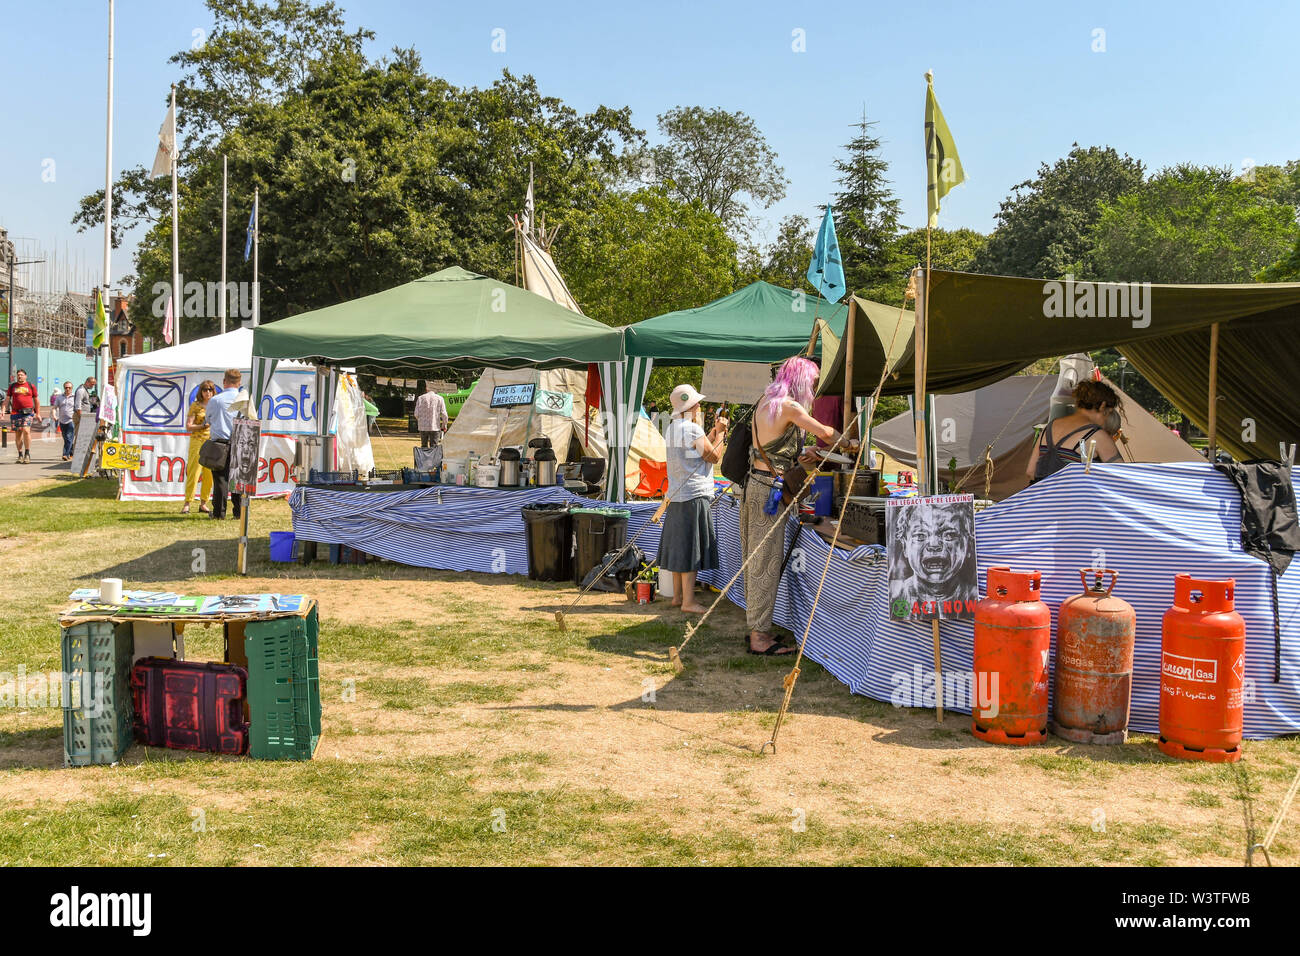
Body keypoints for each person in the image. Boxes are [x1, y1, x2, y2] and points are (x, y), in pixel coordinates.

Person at [740, 356, 852, 655]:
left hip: (756, 485)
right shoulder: (789, 405)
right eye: (812, 383)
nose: (813, 389)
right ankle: (759, 637)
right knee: (764, 562)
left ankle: (757, 627)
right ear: (801, 381)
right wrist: (849, 443)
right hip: (769, 494)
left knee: (756, 560)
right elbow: (826, 432)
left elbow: (774, 449)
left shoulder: (766, 400)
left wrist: (803, 455)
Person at [660, 384, 727, 614]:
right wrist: (722, 432)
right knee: (690, 549)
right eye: (696, 403)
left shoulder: (673, 428)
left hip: (678, 494)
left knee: (680, 547)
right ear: (689, 407)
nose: (699, 406)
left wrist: (713, 433)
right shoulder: (691, 429)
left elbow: (699, 450)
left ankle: (678, 597)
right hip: (694, 495)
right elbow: (714, 456)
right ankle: (688, 601)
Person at [1026, 380, 1123, 483]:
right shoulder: (1096, 435)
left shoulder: (1048, 428)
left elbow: (1030, 472)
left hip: (1038, 497)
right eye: (1108, 413)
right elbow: (1122, 476)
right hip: (1072, 498)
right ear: (1102, 406)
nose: (1106, 419)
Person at [206, 369, 244, 519]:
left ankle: (219, 513)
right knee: (237, 479)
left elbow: (208, 420)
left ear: (224, 381)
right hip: (240, 444)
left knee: (220, 479)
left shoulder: (216, 400)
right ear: (239, 383)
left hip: (220, 444)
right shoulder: (245, 401)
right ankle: (239, 513)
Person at [182, 380, 217, 514]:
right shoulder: (195, 406)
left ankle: (203, 503)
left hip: (212, 441)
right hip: (197, 441)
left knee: (209, 474)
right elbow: (189, 426)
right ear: (200, 392)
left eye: (210, 390)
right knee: (194, 472)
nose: (207, 392)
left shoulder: (215, 405)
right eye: (205, 389)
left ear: (213, 392)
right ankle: (187, 502)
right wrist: (202, 426)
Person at [6, 369, 40, 464]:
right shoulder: (12, 386)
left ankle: (27, 453)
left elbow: (36, 400)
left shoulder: (31, 386)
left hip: (28, 412)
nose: (20, 376)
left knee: (26, 430)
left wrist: (38, 413)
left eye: (21, 375)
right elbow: (8, 399)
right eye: (18, 375)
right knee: (18, 434)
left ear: (26, 376)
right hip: (15, 413)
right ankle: (20, 454)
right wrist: (2, 410)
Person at [414, 384, 449, 449]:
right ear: (435, 389)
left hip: (423, 427)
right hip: (435, 426)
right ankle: (433, 459)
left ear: (427, 389)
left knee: (423, 446)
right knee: (434, 447)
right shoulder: (440, 398)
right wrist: (444, 425)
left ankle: (424, 459)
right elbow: (444, 414)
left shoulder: (420, 398)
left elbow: (416, 414)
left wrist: (421, 421)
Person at [54, 381, 76, 460]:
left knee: (69, 436)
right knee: (66, 438)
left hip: (71, 420)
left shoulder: (75, 397)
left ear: (72, 388)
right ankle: (71, 452)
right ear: (64, 388)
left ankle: (65, 454)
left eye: (69, 388)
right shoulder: (59, 397)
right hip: (62, 421)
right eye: (66, 387)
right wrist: (54, 415)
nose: (67, 389)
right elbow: (54, 407)